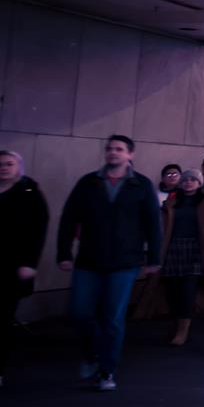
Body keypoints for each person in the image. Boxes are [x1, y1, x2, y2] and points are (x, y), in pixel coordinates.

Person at [56, 136, 162, 390]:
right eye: (110, 149)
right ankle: (91, 355)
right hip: (89, 259)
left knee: (113, 318)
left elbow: (152, 224)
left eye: (119, 149)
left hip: (124, 261)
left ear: (130, 155)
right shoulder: (89, 183)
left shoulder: (141, 185)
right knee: (80, 312)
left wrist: (154, 258)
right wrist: (63, 253)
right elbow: (69, 218)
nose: (113, 153)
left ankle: (107, 370)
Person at [146, 167, 204, 346]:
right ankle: (175, 323)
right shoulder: (173, 201)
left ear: (199, 183)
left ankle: (183, 329)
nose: (188, 183)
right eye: (185, 180)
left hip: (196, 249)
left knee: (187, 290)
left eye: (192, 180)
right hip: (173, 248)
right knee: (172, 290)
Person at [0, 151, 49, 391]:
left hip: (9, 266)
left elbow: (37, 230)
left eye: (9, 164)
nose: (3, 168)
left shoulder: (29, 194)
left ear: (18, 168)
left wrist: (29, 262)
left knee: (0, 320)